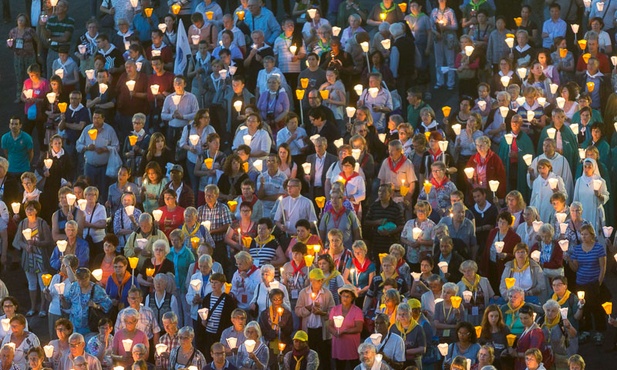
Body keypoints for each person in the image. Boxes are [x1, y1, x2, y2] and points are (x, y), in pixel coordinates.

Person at [565, 224, 607, 345]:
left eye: (586, 234)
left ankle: (599, 331)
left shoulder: (598, 248)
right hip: (581, 283)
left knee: (597, 308)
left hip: (594, 283)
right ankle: (586, 330)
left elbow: (602, 267)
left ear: (592, 235)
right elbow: (575, 268)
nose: (583, 237)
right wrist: (568, 260)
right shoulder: (577, 249)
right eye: (582, 234)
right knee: (584, 308)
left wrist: (598, 283)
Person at [12, 200, 52, 318]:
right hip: (28, 257)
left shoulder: (42, 223)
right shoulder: (23, 223)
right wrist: (25, 246)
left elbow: (48, 241)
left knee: (42, 283)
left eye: (31, 209)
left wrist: (37, 243)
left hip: (40, 257)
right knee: (32, 283)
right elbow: (18, 240)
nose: (29, 211)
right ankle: (33, 307)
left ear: (36, 210)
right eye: (27, 209)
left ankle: (43, 308)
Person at [75, 110, 119, 202]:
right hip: (89, 166)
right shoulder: (87, 129)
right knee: (88, 190)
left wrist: (105, 149)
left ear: (103, 119)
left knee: (103, 191)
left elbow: (116, 146)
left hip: (104, 167)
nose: (96, 120)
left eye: (99, 118)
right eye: (94, 118)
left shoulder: (109, 130)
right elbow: (78, 145)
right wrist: (87, 147)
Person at [61, 267, 112, 334]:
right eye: (79, 280)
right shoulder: (74, 286)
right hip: (74, 325)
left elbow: (108, 304)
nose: (81, 283)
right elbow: (67, 303)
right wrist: (62, 299)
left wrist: (96, 306)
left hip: (89, 326)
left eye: (84, 280)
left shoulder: (96, 289)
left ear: (89, 278)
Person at [482, 211, 521, 293]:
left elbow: (517, 254)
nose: (501, 224)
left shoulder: (515, 238)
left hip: (503, 267)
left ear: (509, 224)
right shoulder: (493, 232)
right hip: (490, 264)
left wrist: (506, 255)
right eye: (500, 221)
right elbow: (487, 248)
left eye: (504, 222)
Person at [327, 284, 363, 370]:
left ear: (352, 298)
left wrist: (345, 331)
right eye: (343, 296)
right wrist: (335, 332)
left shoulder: (357, 311)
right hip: (339, 344)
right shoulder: (334, 310)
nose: (345, 298)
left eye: (348, 296)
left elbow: (359, 328)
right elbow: (329, 325)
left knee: (353, 366)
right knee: (340, 366)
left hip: (352, 345)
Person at [507, 305, 547, 370]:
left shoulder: (536, 332)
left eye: (526, 318)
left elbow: (533, 354)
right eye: (521, 318)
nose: (523, 321)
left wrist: (516, 354)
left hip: (529, 365)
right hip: (521, 363)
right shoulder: (526, 328)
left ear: (532, 317)